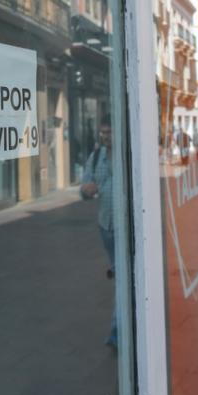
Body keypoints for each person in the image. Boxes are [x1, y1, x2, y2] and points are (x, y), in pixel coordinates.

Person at [80, 117, 116, 347]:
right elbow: (84, 189)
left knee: (121, 277)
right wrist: (86, 190)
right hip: (106, 228)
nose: (105, 136)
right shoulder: (95, 159)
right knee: (121, 277)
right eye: (102, 132)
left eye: (109, 132)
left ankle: (117, 331)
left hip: (125, 227)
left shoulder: (127, 154)